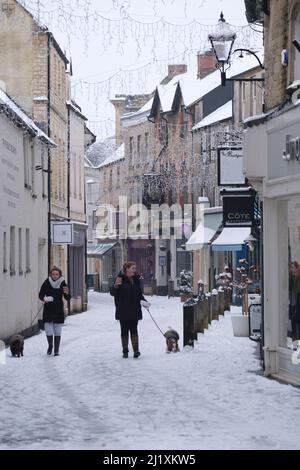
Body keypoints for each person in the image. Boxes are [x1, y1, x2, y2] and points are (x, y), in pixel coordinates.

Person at [110, 261, 146, 358]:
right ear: (127, 269)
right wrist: (115, 286)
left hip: (134, 309)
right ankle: (125, 350)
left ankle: (136, 351)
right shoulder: (120, 278)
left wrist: (144, 302)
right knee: (124, 330)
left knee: (134, 330)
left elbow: (139, 294)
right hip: (123, 309)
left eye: (135, 268)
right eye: (133, 268)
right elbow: (112, 293)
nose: (135, 270)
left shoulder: (136, 279)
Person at [39, 266, 70, 356]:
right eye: (53, 274)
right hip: (48, 309)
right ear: (50, 274)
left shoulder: (63, 283)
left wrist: (67, 293)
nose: (55, 276)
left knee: (57, 330)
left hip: (58, 309)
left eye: (57, 274)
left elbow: (67, 297)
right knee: (48, 330)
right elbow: (40, 294)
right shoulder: (46, 282)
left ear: (59, 275)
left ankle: (56, 350)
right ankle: (50, 346)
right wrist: (45, 298)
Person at [289, 261, 300, 341]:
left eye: (293, 267)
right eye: (291, 267)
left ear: (297, 268)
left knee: (295, 318)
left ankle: (295, 337)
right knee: (294, 318)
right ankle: (295, 337)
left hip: (298, 297)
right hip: (296, 297)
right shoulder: (293, 277)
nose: (291, 269)